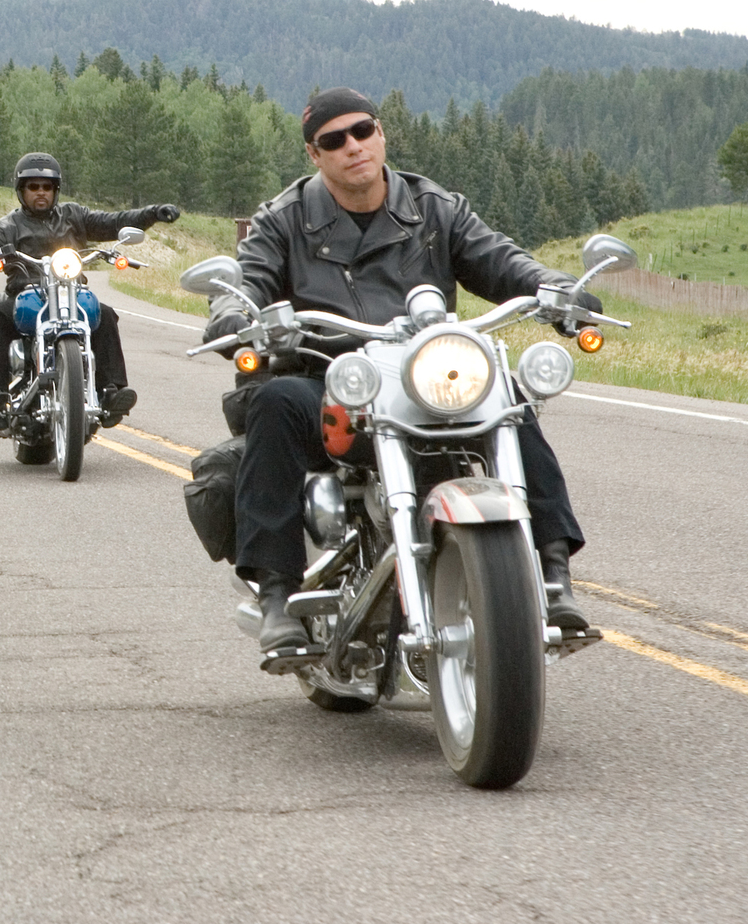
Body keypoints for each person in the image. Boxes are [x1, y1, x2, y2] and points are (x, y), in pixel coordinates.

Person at [206, 88, 599, 654]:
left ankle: (554, 575)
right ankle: (276, 595)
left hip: (424, 376)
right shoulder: (284, 219)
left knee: (507, 396)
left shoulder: (435, 208)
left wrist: (556, 289)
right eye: (333, 140)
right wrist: (234, 312)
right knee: (274, 402)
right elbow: (249, 278)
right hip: (331, 376)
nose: (353, 147)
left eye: (362, 130)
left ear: (381, 133)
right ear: (315, 156)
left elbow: (500, 259)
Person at [0, 152, 179, 429]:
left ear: (56, 190)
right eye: (33, 187)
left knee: (105, 315)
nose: (40, 193)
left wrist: (151, 213)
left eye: (47, 187)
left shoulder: (74, 215)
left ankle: (111, 392)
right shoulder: (8, 225)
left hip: (71, 292)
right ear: (21, 191)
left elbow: (114, 222)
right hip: (26, 295)